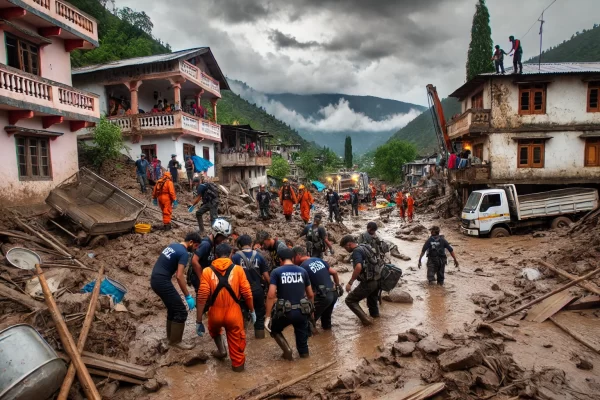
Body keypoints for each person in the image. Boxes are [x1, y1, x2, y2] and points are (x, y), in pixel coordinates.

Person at [196, 243, 254, 372]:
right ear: (231, 255)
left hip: (215, 314)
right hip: (234, 313)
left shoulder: (207, 271)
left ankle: (221, 351)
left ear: (215, 256)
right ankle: (238, 371)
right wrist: (252, 310)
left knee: (215, 330)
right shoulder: (238, 270)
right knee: (238, 352)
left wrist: (198, 320)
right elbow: (247, 293)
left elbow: (201, 297)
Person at [150, 232, 202, 349]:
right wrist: (188, 296)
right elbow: (179, 276)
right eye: (195, 247)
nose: (194, 250)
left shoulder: (173, 246)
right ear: (191, 242)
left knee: (173, 309)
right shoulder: (183, 253)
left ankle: (170, 338)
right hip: (162, 281)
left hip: (155, 279)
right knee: (181, 310)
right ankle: (176, 342)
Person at [265, 248, 314, 360]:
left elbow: (271, 295)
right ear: (292, 258)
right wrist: (310, 312)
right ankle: (305, 361)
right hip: (302, 311)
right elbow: (310, 294)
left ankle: (287, 351)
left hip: (285, 313)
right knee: (303, 345)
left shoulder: (276, 272)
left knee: (274, 329)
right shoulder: (303, 271)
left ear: (280, 260)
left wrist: (267, 317)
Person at [292, 246, 341, 331]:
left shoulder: (303, 267)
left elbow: (301, 288)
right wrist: (338, 286)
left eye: (293, 258)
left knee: (308, 323)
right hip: (333, 294)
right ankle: (328, 341)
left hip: (323, 297)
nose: (292, 261)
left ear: (298, 255)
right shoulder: (318, 260)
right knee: (326, 323)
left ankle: (315, 341)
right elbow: (334, 272)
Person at [232, 235, 270, 339]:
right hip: (257, 290)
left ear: (240, 245)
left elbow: (231, 277)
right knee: (259, 314)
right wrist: (272, 289)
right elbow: (266, 276)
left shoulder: (235, 257)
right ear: (251, 243)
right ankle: (260, 337)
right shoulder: (259, 256)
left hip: (242, 292)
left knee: (242, 315)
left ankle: (241, 339)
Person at [190, 218, 232, 312]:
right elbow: (194, 261)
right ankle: (200, 318)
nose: (222, 240)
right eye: (222, 238)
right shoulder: (206, 244)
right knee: (204, 299)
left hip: (205, 275)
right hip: (198, 276)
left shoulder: (213, 244)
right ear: (217, 234)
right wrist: (202, 279)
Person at [340, 235, 382, 325]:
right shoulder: (365, 246)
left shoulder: (356, 251)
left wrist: (350, 283)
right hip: (377, 280)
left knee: (350, 300)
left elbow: (358, 267)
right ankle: (377, 325)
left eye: (345, 247)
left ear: (349, 244)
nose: (346, 250)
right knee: (372, 304)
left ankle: (367, 322)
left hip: (369, 282)